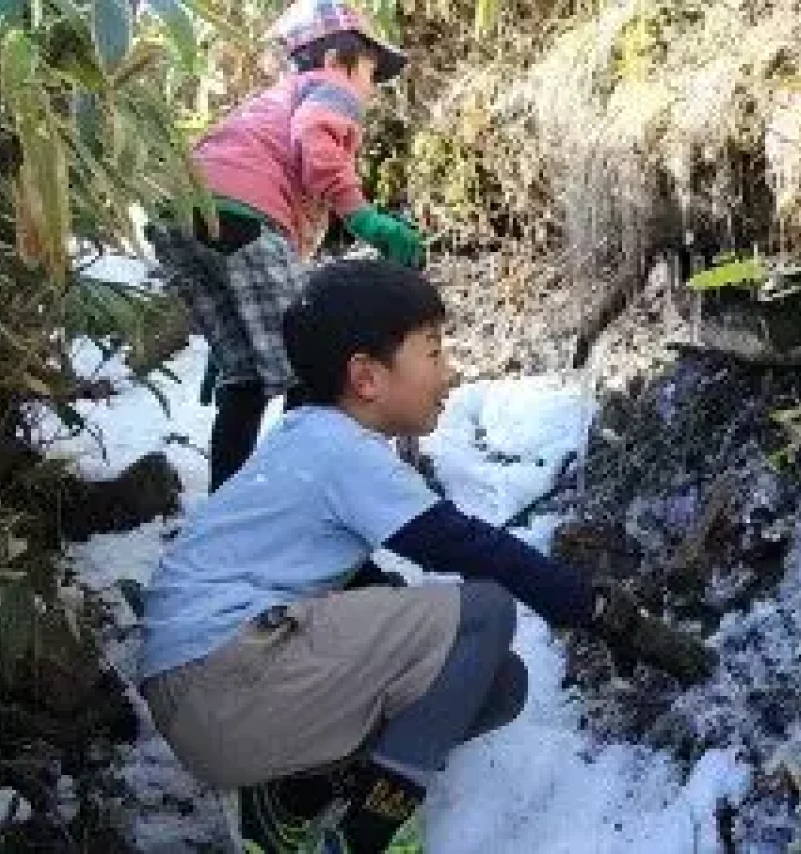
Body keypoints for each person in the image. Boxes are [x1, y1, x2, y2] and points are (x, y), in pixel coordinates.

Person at [138, 260, 717, 853]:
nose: (451, 373)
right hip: (222, 676)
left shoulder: (304, 440)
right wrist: (611, 620)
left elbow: (336, 574)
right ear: (366, 376)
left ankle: (293, 798)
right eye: (434, 353)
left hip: (210, 698)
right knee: (486, 611)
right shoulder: (344, 453)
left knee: (498, 685)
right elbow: (475, 551)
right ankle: (372, 830)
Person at [148, 0, 427, 492]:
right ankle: (298, 507)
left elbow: (231, 181)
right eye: (370, 71)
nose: (372, 89)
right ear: (336, 60)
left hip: (178, 215)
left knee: (245, 377)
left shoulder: (267, 104)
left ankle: (227, 509)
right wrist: (363, 218)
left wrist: (237, 326)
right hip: (242, 216)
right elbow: (315, 141)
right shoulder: (330, 90)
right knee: (312, 367)